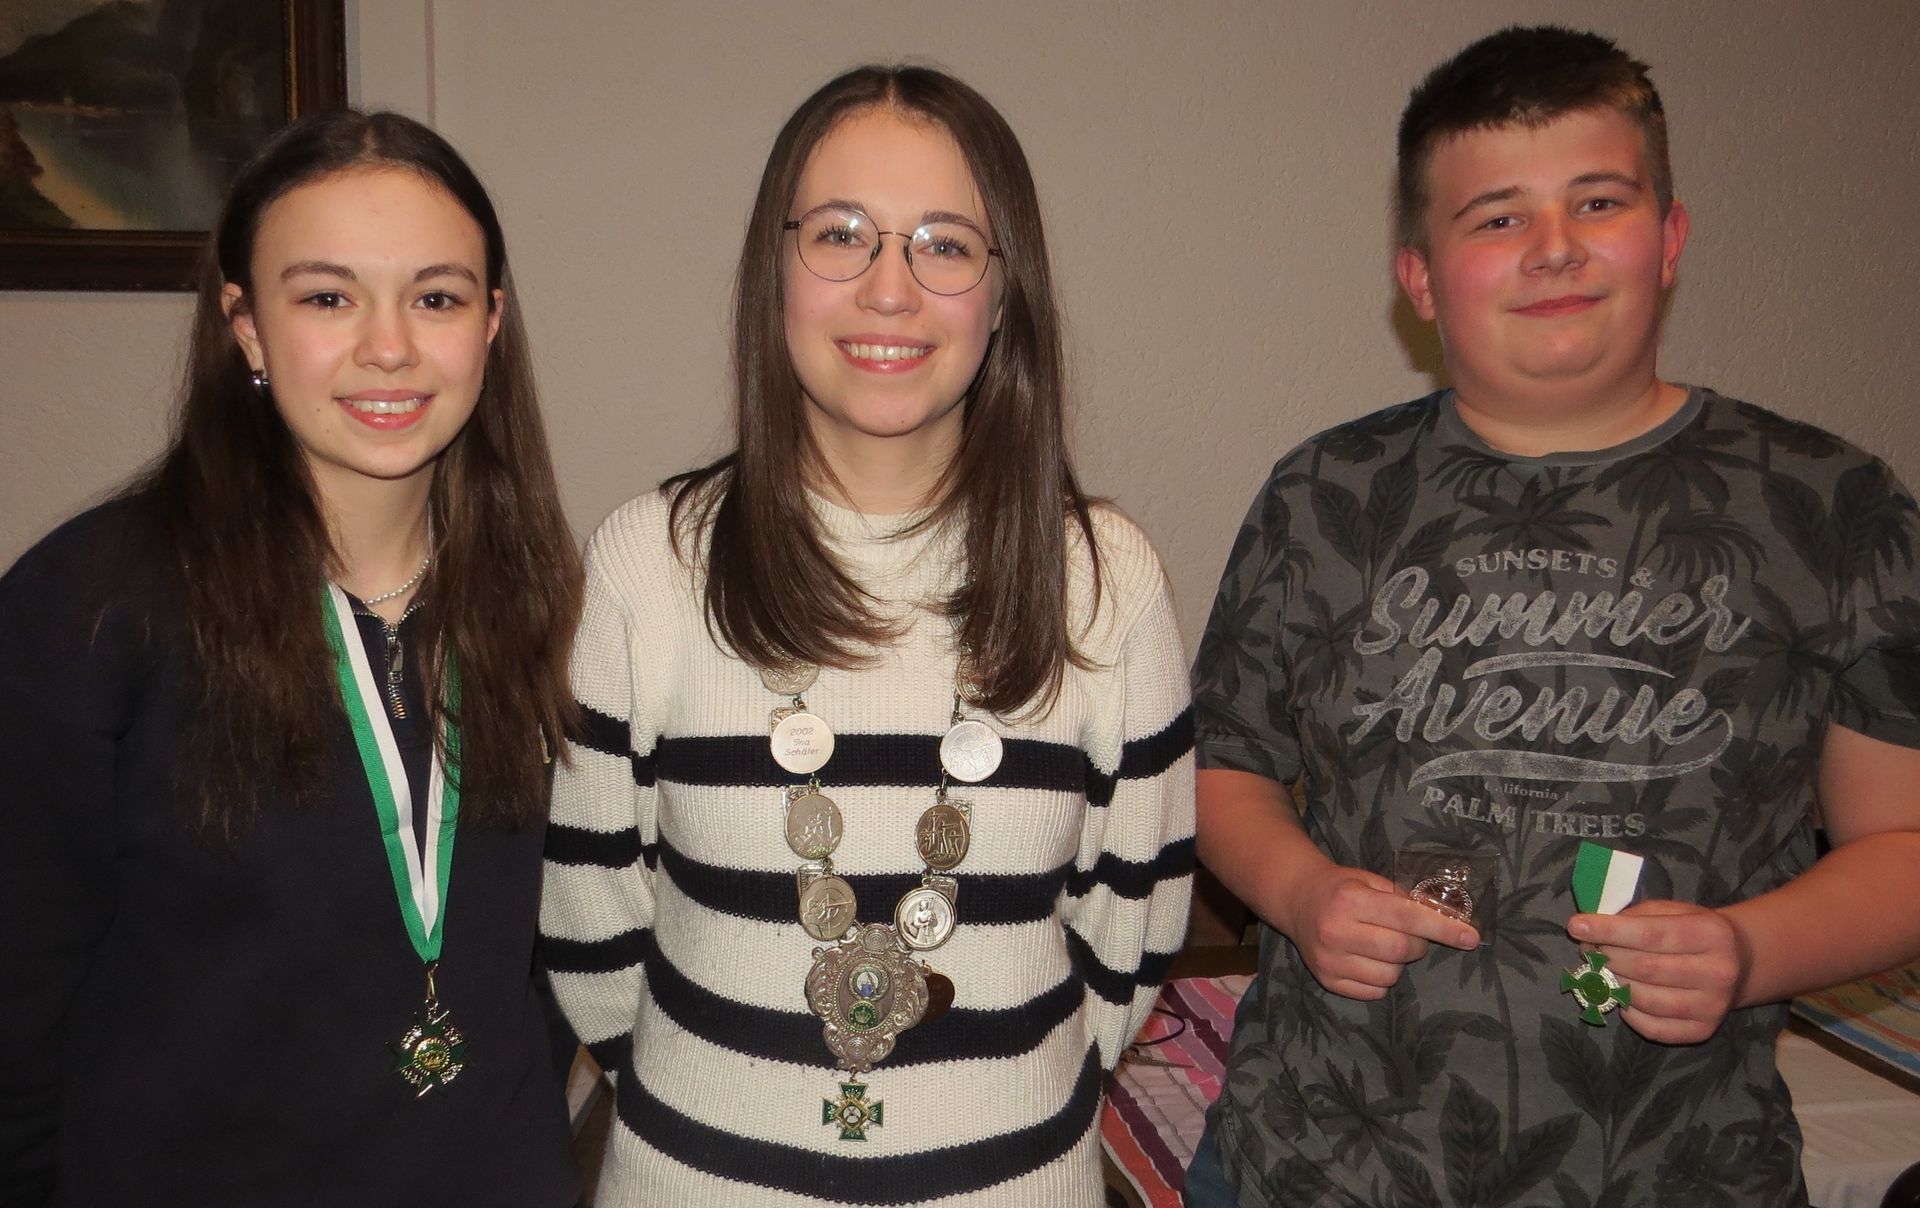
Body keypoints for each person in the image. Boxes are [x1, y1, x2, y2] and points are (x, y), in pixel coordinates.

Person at [1187, 25, 1920, 1208]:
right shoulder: (1322, 494)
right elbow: (1226, 769)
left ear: (1669, 236)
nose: (1555, 248)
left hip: (1683, 1173)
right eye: (1497, 218)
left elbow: (1903, 842)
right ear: (1421, 277)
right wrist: (1299, 891)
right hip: (1314, 1163)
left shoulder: (1838, 506)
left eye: (1599, 201)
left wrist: (1752, 951)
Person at [540, 65, 1194, 1206]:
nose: (890, 289)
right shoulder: (649, 564)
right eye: (841, 234)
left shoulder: (1105, 581)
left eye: (946, 245)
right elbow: (593, 922)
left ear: (1005, 294)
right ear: (776, 269)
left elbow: (1129, 934)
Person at [0, 110, 584, 1205]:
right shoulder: (90, 608)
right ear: (247, 327)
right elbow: (17, 1010)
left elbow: (545, 959)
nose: (389, 346)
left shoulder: (543, 597)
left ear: (492, 324)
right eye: (327, 298)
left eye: (437, 297)